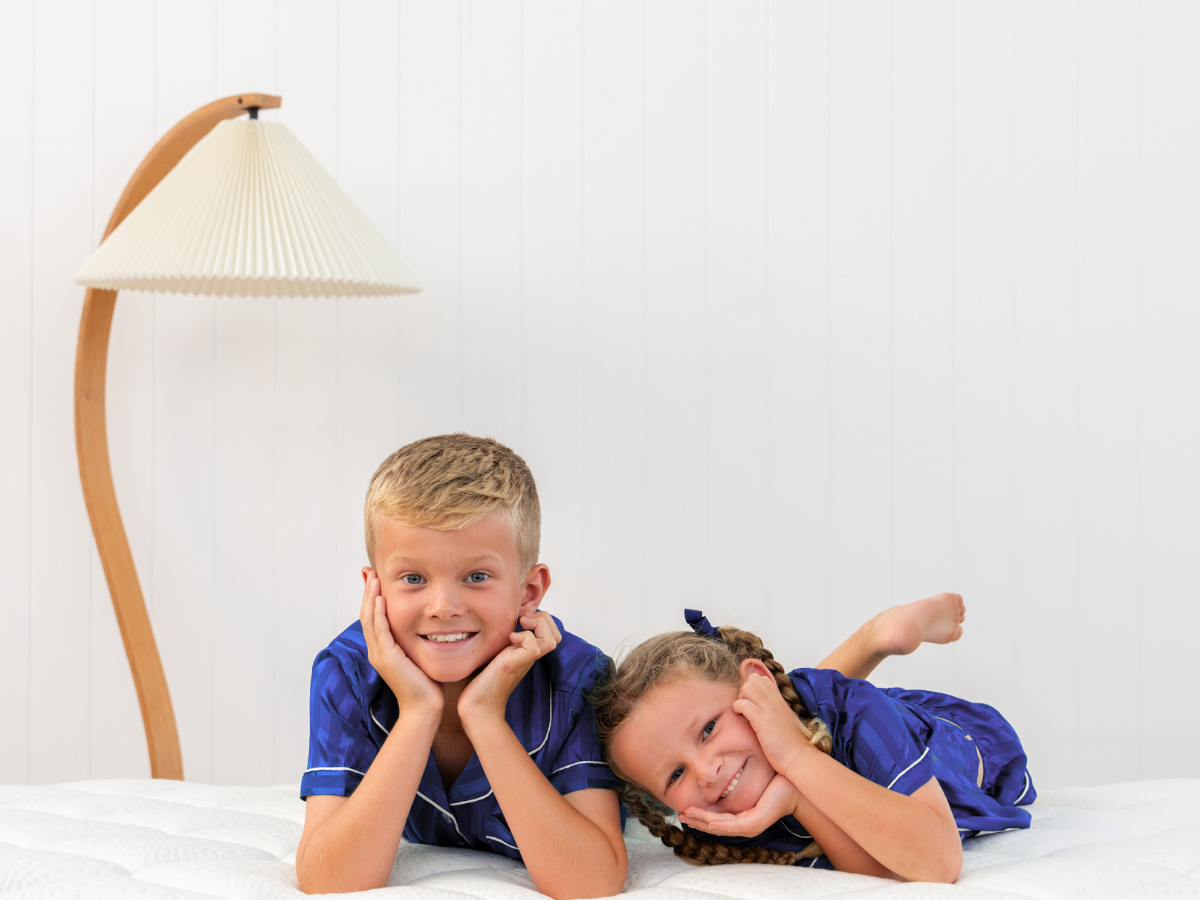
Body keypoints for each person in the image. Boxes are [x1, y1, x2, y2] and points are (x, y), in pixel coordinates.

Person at [295, 433, 970, 894]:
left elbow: (592, 882)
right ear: (373, 588)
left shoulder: (573, 680)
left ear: (529, 591)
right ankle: (870, 641)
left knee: (806, 715)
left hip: (918, 736)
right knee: (794, 718)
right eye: (412, 579)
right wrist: (418, 711)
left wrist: (485, 721)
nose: (443, 606)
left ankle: (874, 638)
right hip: (810, 729)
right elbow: (329, 880)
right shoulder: (348, 673)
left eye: (476, 576)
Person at [593, 609, 1035, 883]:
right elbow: (879, 868)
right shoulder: (714, 820)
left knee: (824, 714)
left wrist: (796, 756)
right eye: (675, 775)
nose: (707, 772)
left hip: (950, 734)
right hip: (805, 715)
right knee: (803, 714)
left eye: (708, 729)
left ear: (756, 685)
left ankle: (874, 637)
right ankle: (869, 643)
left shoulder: (861, 716)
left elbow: (937, 862)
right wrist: (796, 798)